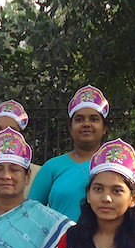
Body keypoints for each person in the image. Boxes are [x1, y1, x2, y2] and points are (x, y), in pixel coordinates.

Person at [28, 85, 110, 221]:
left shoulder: (118, 164)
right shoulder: (52, 167)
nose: (86, 124)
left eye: (94, 119)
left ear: (104, 128)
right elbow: (30, 212)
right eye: (79, 119)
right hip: (61, 241)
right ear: (70, 128)